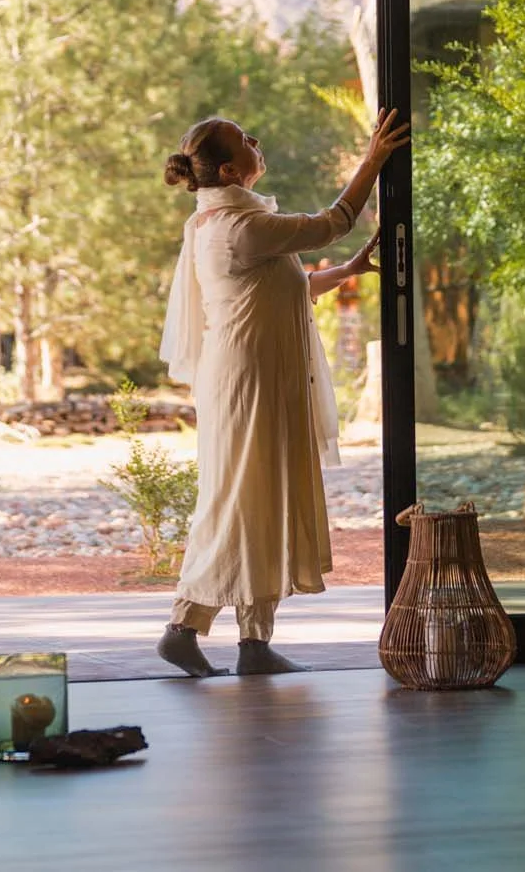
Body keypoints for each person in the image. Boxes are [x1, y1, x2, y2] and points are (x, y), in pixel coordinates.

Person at [156, 109, 409, 676]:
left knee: (260, 498)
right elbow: (334, 220)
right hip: (249, 381)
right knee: (240, 499)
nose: (257, 139)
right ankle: (184, 625)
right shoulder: (238, 227)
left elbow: (289, 288)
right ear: (230, 167)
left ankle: (254, 644)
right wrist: (374, 159)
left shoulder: (229, 221)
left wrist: (347, 270)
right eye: (246, 139)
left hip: (256, 375)